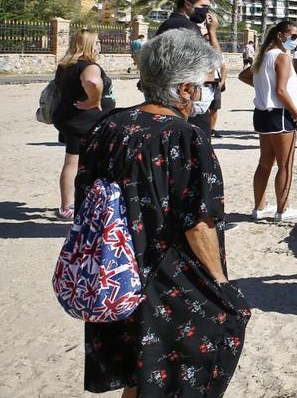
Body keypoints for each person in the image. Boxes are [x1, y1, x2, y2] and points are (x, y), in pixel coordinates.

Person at [74, 29, 250, 397]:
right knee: (171, 374)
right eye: (202, 84)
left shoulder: (109, 125)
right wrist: (220, 283)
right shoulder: (184, 136)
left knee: (138, 377)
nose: (204, 93)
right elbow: (198, 221)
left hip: (113, 273)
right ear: (185, 89)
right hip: (164, 276)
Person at [239, 20, 297, 223]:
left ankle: (259, 207)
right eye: (293, 36)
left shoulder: (263, 56)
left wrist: (263, 87)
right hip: (279, 115)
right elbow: (280, 90)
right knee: (285, 164)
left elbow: (245, 76)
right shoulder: (281, 57)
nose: (296, 41)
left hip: (262, 114)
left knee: (265, 163)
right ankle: (282, 209)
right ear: (280, 35)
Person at [52, 29, 116, 220]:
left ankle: (67, 205)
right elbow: (92, 82)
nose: (99, 45)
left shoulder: (66, 65)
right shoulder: (89, 66)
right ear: (89, 44)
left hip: (69, 117)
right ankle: (71, 205)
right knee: (78, 162)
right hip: (84, 120)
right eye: (96, 41)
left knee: (73, 161)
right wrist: (94, 101)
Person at [156, 0, 226, 138]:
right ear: (187, 4)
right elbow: (215, 61)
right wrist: (212, 32)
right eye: (203, 6)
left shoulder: (172, 23)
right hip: (185, 101)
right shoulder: (186, 26)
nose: (207, 11)